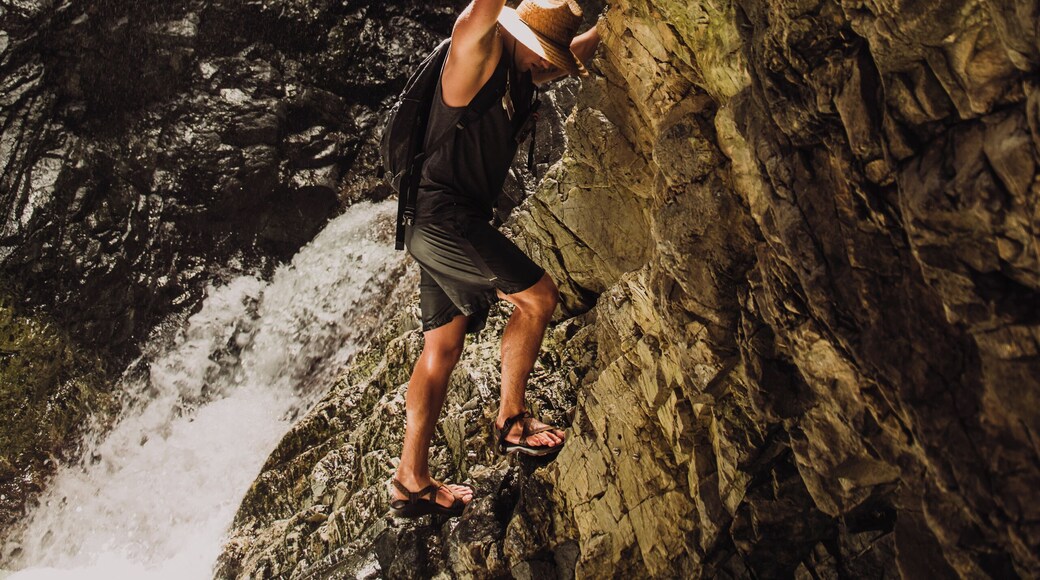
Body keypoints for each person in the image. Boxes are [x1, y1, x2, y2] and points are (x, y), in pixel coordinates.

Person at [388, 0, 600, 518]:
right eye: (545, 53)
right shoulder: (474, 57)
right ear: (517, 30)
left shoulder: (525, 68)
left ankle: (409, 482)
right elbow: (474, 18)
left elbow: (568, 51)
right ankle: (512, 421)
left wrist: (613, 23)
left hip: (436, 222)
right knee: (539, 298)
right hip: (444, 220)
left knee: (441, 349)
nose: (550, 66)